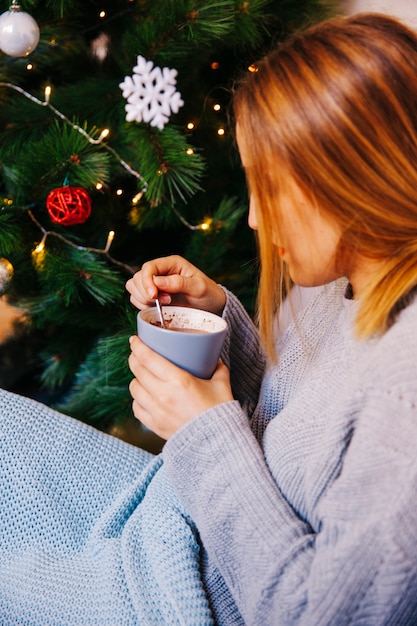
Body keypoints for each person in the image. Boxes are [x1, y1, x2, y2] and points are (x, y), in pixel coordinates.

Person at [1, 10, 417, 625]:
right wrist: (220, 318)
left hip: (177, 597)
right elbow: (294, 420)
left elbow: (313, 614)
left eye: (271, 193)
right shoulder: (347, 274)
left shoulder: (404, 399)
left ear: (351, 183)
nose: (253, 220)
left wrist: (201, 429)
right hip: (171, 515)